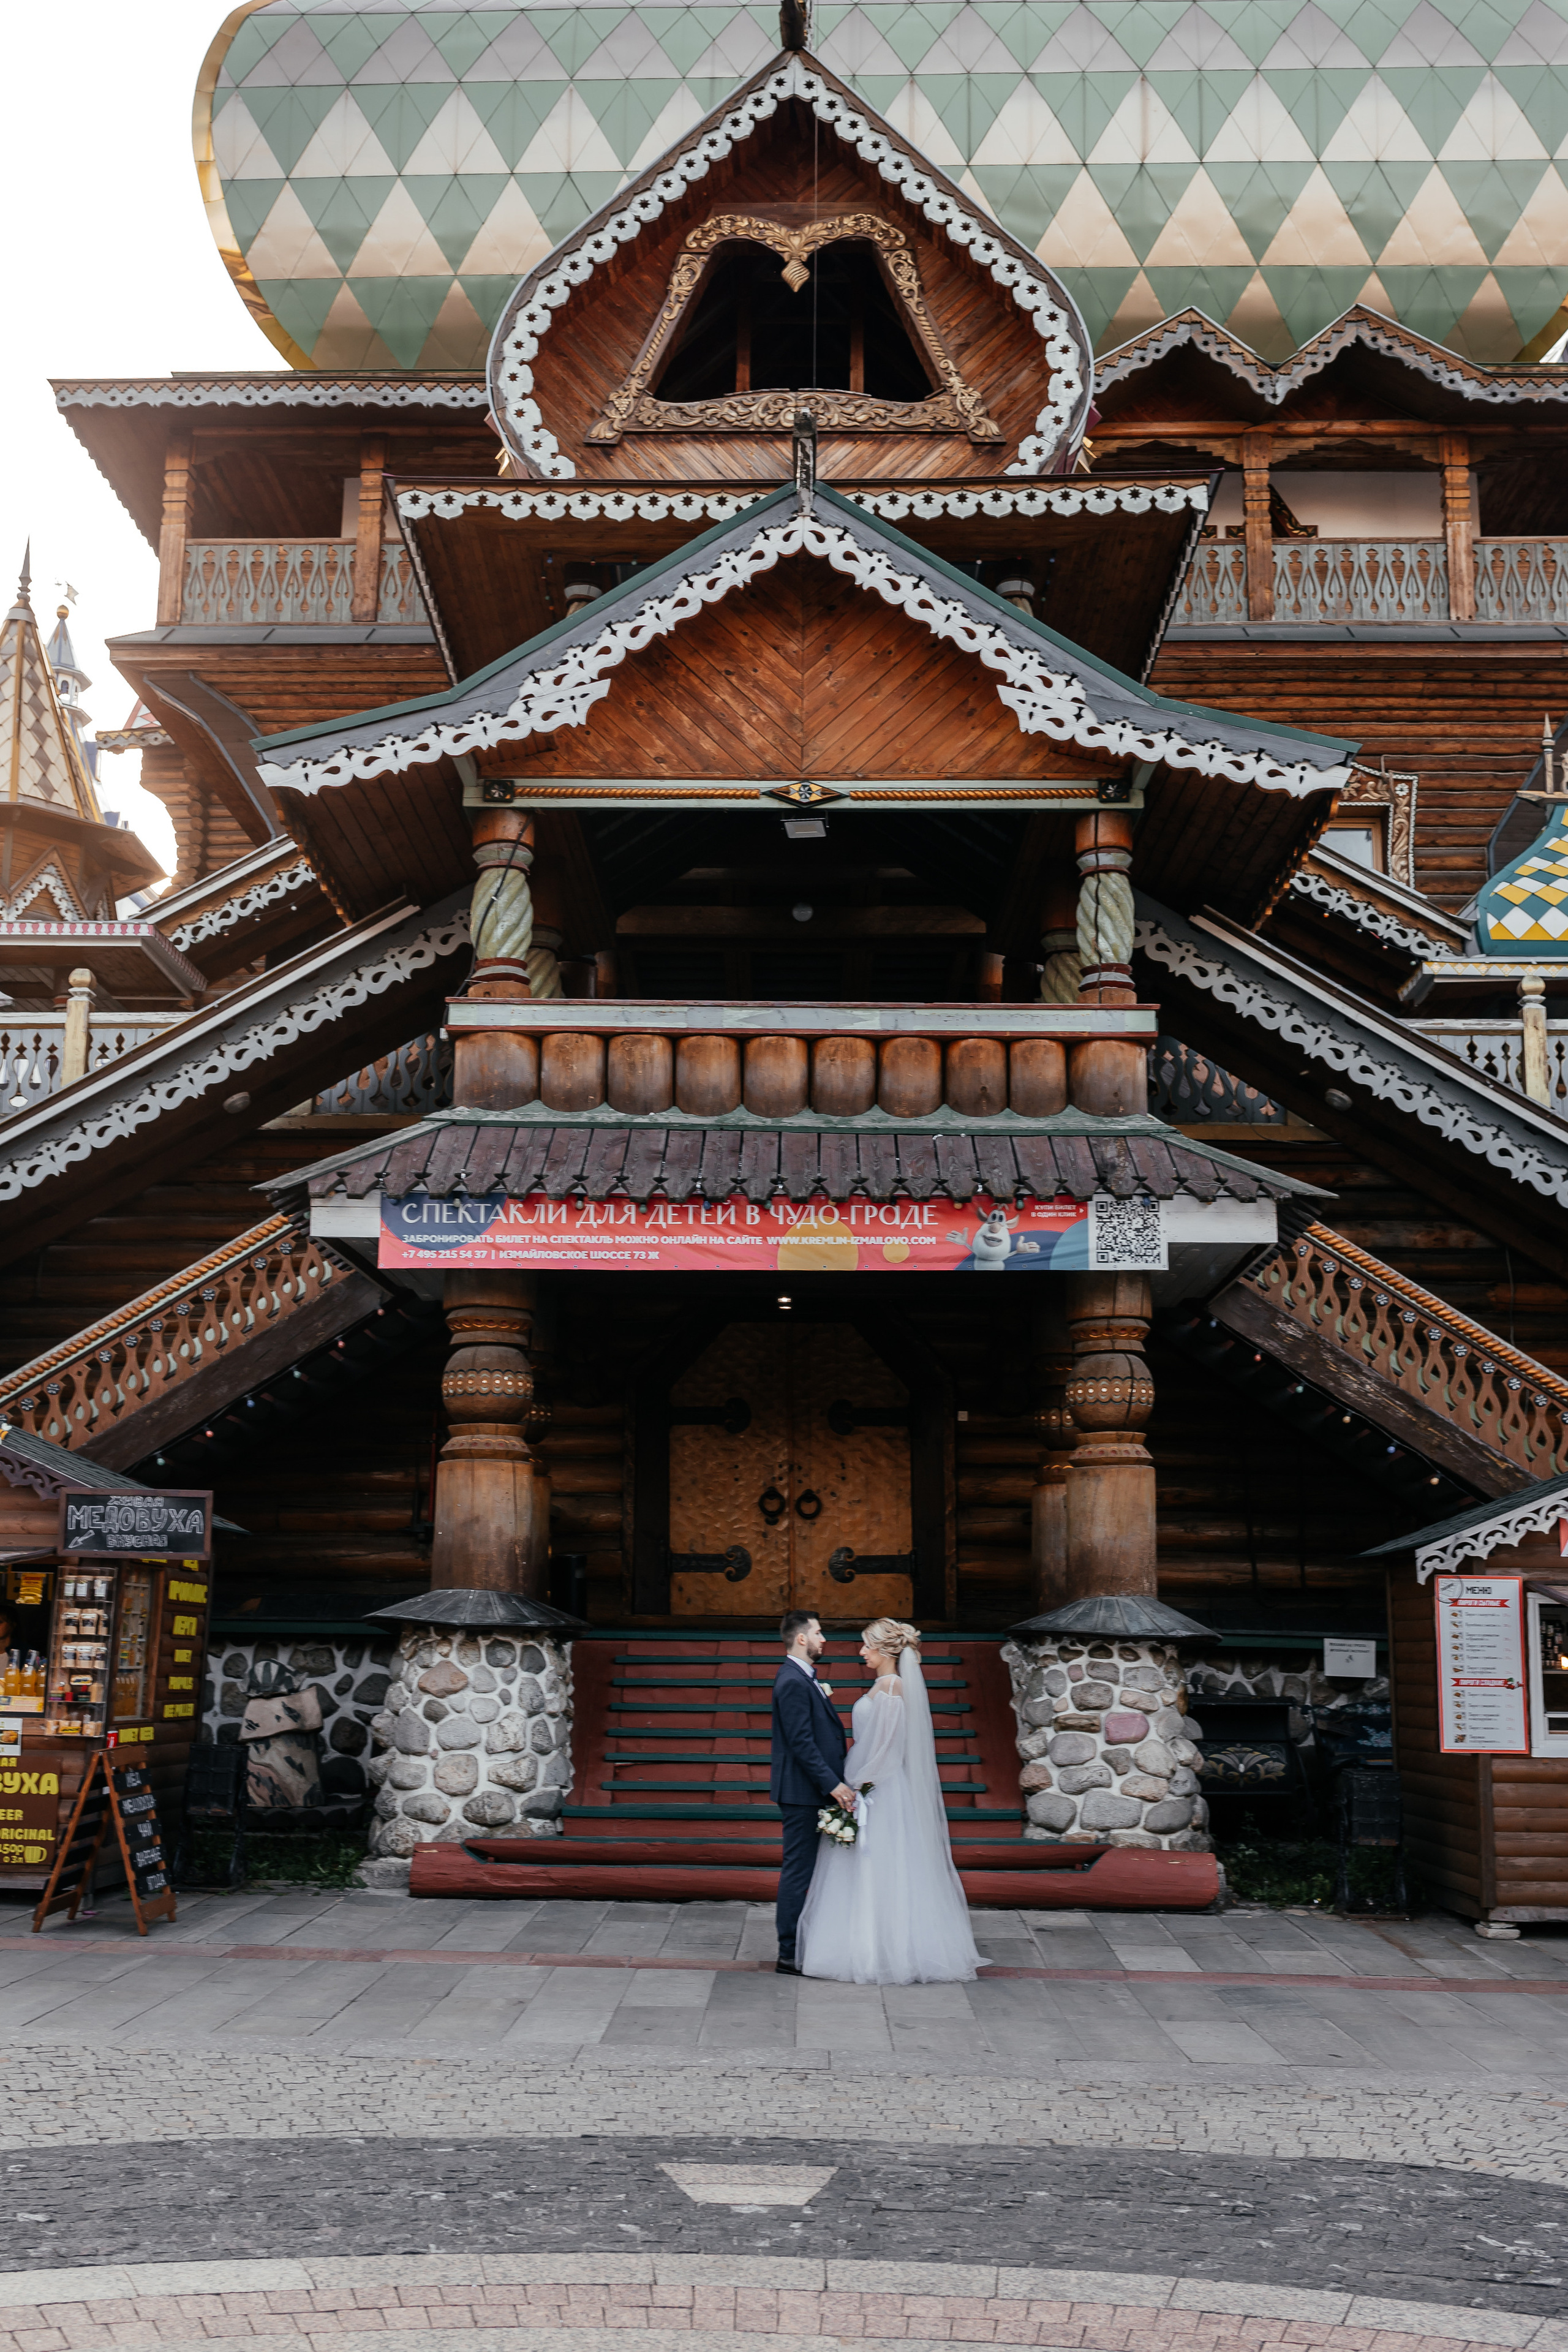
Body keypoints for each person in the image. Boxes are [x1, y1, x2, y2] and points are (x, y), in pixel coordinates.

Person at [795, 1617, 984, 1985]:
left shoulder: (893, 1686)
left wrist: (856, 1788)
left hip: (879, 1789)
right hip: (869, 1782)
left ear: (884, 1650)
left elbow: (887, 1748)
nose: (861, 1651)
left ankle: (883, 1951)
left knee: (881, 1866)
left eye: (866, 1645)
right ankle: (867, 1947)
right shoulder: (883, 1685)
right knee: (865, 1870)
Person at [770, 1609, 854, 1978]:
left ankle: (806, 1941)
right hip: (803, 1793)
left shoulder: (804, 1678)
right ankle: (788, 1951)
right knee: (798, 1871)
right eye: (819, 1632)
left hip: (811, 1791)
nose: (824, 1639)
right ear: (801, 1638)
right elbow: (801, 1743)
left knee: (808, 1871)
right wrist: (832, 1784)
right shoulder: (791, 1681)